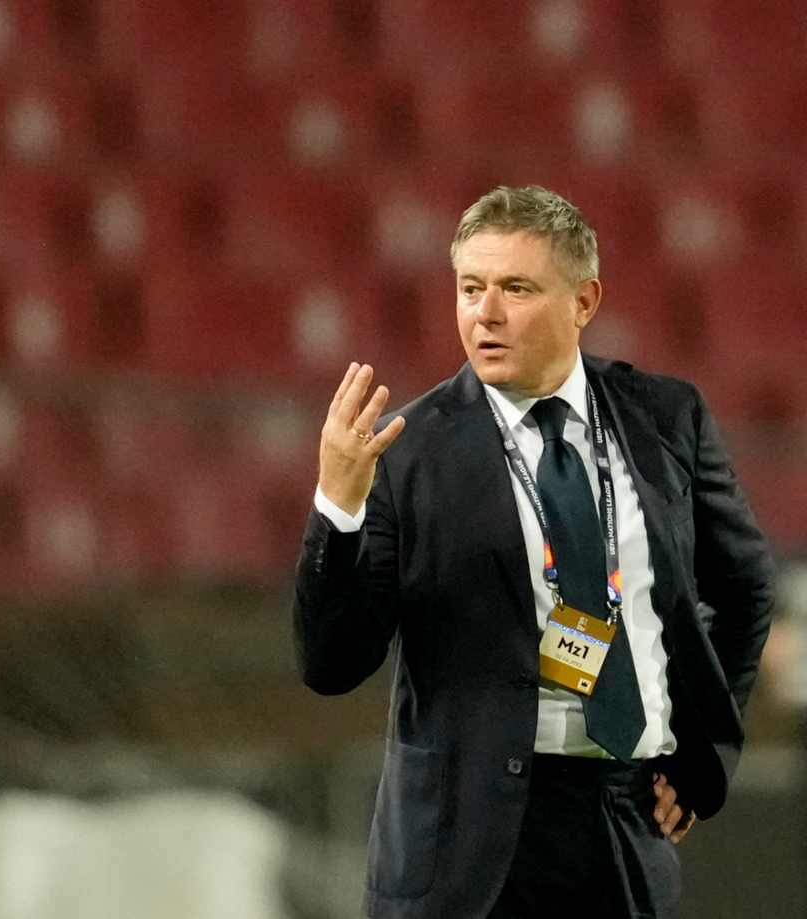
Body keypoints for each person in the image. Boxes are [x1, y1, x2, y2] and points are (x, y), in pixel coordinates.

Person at [292, 185, 775, 918]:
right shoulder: (408, 453)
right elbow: (331, 664)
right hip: (464, 852)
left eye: (515, 289)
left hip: (625, 824)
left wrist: (702, 753)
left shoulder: (668, 419)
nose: (484, 313)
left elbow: (743, 591)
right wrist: (337, 506)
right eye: (469, 288)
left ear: (584, 301)